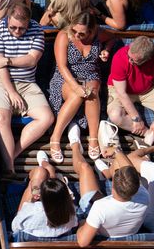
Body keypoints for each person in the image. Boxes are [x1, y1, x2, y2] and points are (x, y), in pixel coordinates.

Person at [0, 3, 54, 176]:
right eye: (13, 27)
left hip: (26, 82)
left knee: (47, 118)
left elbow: (31, 60)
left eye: (21, 29)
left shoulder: (37, 30)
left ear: (29, 23)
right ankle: (9, 168)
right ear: (8, 19)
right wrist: (11, 92)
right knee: (2, 118)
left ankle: (11, 155)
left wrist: (8, 60)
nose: (17, 32)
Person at [47, 12, 113, 162]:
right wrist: (75, 86)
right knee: (77, 94)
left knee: (92, 92)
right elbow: (62, 66)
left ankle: (93, 138)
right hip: (66, 76)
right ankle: (55, 137)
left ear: (91, 30)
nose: (76, 35)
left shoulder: (98, 34)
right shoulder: (64, 36)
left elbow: (113, 38)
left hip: (90, 75)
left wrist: (106, 50)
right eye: (74, 31)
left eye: (81, 33)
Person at [68, 126, 149, 246]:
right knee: (117, 163)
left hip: (100, 224)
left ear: (111, 187)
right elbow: (130, 171)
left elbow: (82, 242)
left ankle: (75, 146)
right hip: (120, 224)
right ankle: (106, 172)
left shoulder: (100, 207)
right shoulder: (144, 196)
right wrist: (117, 151)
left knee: (85, 168)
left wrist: (82, 224)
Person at [106, 36, 154, 146]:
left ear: (148, 59)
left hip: (148, 90)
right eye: (129, 57)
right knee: (115, 115)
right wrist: (136, 119)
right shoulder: (120, 57)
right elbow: (121, 93)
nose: (130, 61)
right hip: (123, 91)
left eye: (134, 61)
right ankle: (149, 134)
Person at [11, 151, 78, 240]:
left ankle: (47, 170)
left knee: (39, 172)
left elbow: (15, 226)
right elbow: (75, 223)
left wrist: (33, 199)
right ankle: (50, 171)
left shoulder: (33, 210)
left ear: (41, 198)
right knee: (47, 176)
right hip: (53, 229)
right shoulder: (70, 212)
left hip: (32, 219)